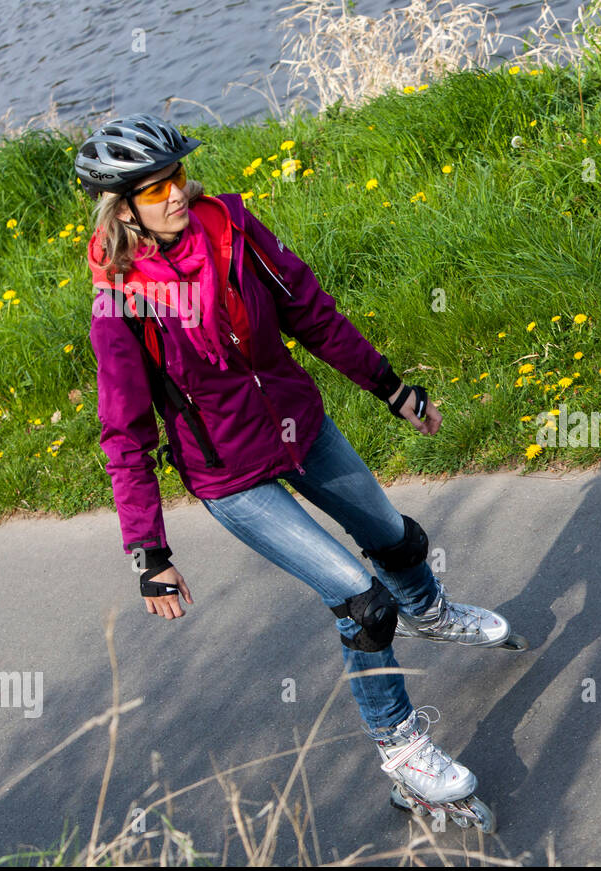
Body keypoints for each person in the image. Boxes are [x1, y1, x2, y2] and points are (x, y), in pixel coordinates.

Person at [78, 113, 508, 811]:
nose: (176, 195)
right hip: (232, 476)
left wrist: (391, 387)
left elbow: (311, 312)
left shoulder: (235, 232)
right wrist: (148, 553)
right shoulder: (121, 304)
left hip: (300, 426)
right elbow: (124, 432)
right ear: (122, 210)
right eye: (156, 190)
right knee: (362, 604)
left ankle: (430, 611)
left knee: (397, 539)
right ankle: (402, 752)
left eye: (178, 178)